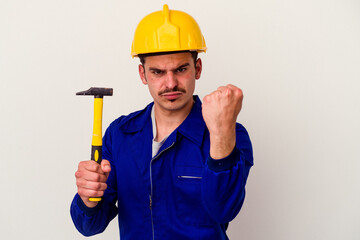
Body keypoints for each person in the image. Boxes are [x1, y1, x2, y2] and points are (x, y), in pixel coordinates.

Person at [70, 4, 253, 240]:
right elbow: (89, 227)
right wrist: (88, 198)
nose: (170, 83)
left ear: (197, 68)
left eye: (181, 69)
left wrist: (220, 134)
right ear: (142, 74)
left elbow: (223, 210)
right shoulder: (121, 134)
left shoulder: (230, 134)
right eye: (157, 72)